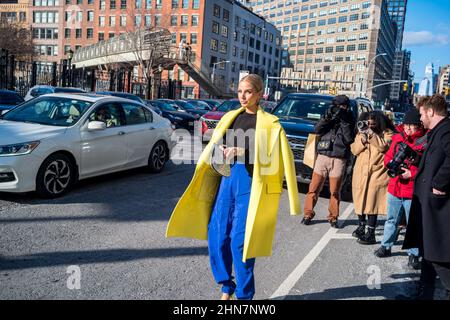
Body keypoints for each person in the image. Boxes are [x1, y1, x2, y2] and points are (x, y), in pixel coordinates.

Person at [166, 74, 300, 300]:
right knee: (217, 236)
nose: (243, 96)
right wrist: (219, 153)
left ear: (259, 94)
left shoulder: (269, 123)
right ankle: (226, 285)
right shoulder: (230, 116)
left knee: (241, 242)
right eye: (240, 91)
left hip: (251, 183)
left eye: (248, 92)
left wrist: (243, 152)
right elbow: (215, 145)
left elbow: (272, 157)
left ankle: (244, 296)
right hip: (226, 180)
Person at [402, 94, 450, 300]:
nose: (420, 119)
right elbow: (434, 159)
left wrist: (440, 183)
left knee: (439, 258)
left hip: (438, 207)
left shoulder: (446, 130)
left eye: (422, 114)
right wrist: (416, 158)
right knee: (428, 255)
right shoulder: (437, 131)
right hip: (428, 205)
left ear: (430, 112)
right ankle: (424, 296)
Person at [374, 108, 427, 270]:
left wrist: (411, 173)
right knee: (391, 220)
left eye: (412, 126)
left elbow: (427, 167)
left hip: (412, 191)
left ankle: (414, 254)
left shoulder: (425, 141)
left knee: (413, 224)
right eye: (406, 125)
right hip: (395, 188)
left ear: (419, 126)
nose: (408, 129)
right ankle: (386, 245)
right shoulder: (398, 138)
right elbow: (388, 157)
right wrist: (392, 166)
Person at [302, 95, 355, 228]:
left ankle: (333, 217)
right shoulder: (329, 115)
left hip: (339, 158)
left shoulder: (350, 119)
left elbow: (349, 138)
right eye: (338, 107)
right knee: (313, 188)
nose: (340, 109)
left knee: (335, 191)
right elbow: (317, 130)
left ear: (347, 107)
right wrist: (327, 117)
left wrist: (344, 120)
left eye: (343, 107)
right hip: (323, 156)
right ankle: (308, 214)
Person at [350, 111, 396, 245]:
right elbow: (354, 150)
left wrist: (370, 134)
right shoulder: (362, 132)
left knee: (372, 203)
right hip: (361, 172)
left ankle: (370, 233)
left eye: (372, 123)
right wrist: (362, 139)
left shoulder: (387, 133)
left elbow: (383, 146)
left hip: (377, 174)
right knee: (360, 200)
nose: (369, 125)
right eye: (367, 122)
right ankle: (361, 227)